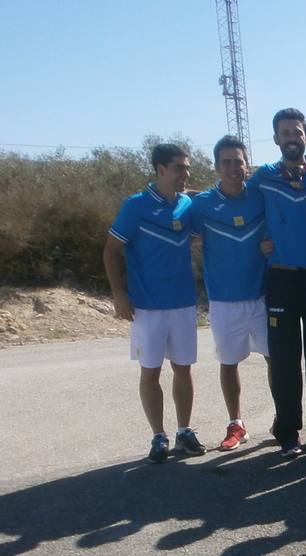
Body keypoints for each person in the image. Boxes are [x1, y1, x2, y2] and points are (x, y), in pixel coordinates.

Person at [103, 142, 206, 463]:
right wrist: (119, 295)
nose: (185, 174)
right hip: (147, 306)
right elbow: (111, 251)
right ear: (160, 169)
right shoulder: (135, 206)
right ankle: (158, 436)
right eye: (179, 168)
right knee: (150, 371)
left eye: (187, 168)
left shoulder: (186, 205)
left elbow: (201, 226)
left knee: (183, 370)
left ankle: (184, 431)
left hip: (183, 303)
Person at [248, 108, 306, 457]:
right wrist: (259, 240)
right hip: (281, 277)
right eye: (285, 133)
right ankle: (287, 431)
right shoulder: (264, 177)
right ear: (275, 138)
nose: (291, 138)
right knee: (285, 360)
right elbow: (236, 200)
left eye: (296, 132)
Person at [187, 135, 269, 451]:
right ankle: (236, 424)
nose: (234, 168)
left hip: (262, 296)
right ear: (217, 167)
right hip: (223, 300)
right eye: (227, 162)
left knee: (275, 360)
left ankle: (284, 419)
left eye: (239, 162)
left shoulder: (260, 196)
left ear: (247, 165)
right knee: (229, 363)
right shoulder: (202, 204)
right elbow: (179, 218)